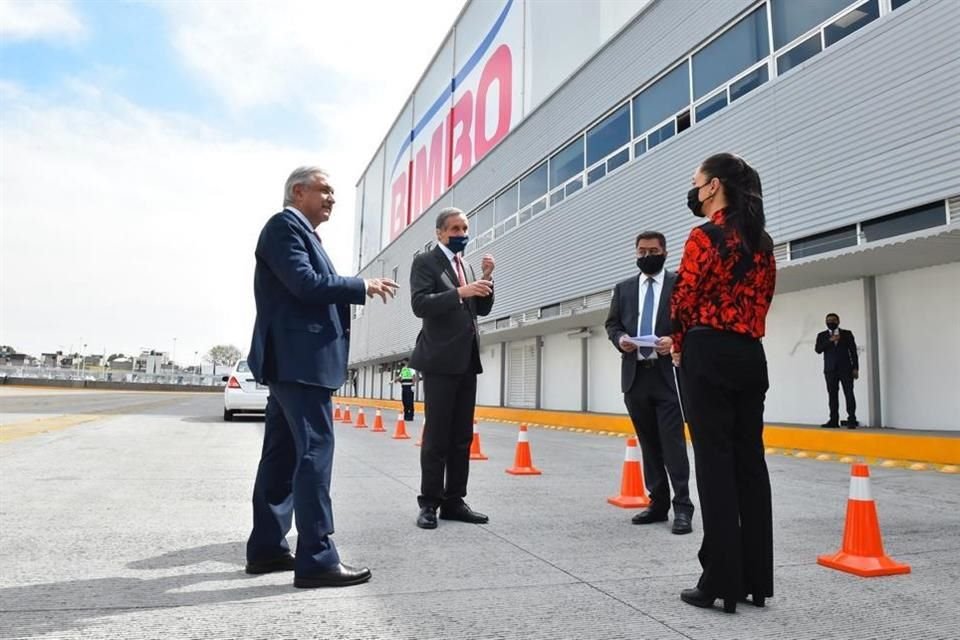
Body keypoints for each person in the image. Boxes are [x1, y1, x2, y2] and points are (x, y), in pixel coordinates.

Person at [245, 166, 398, 588]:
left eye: (333, 193)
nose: (332, 199)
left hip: (295, 363)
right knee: (314, 452)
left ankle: (267, 548)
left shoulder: (301, 232)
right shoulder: (284, 226)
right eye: (324, 190)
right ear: (297, 191)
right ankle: (316, 558)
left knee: (282, 456)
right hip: (300, 363)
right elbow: (306, 284)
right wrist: (359, 285)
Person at [670, 152, 777, 613]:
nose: (693, 190)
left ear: (713, 187)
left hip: (707, 352)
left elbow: (684, 297)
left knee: (713, 465)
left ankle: (719, 580)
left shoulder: (704, 236)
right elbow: (764, 297)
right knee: (750, 463)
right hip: (750, 355)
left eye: (697, 182)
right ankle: (755, 579)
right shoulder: (763, 240)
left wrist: (677, 342)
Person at [409, 207, 495, 530]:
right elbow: (420, 304)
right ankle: (429, 502)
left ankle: (454, 500)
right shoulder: (426, 262)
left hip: (466, 359)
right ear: (440, 233)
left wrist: (486, 278)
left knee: (462, 436)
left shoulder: (467, 265)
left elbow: (480, 308)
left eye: (465, 228)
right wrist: (460, 291)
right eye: (455, 229)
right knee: (437, 435)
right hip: (439, 360)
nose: (462, 234)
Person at [605, 231, 693, 535]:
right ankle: (658, 504)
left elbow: (690, 320)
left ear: (665, 252)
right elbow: (612, 324)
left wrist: (675, 339)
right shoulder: (624, 288)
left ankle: (683, 507)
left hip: (667, 375)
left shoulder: (679, 284)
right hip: (636, 375)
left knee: (673, 443)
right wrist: (620, 340)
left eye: (652, 250)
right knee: (649, 444)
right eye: (641, 251)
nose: (646, 256)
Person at [815, 313, 859, 428]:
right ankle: (833, 420)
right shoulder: (822, 335)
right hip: (830, 369)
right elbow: (818, 349)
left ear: (838, 321)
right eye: (828, 320)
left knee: (849, 393)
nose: (830, 322)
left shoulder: (847, 334)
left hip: (846, 369)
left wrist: (855, 368)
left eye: (833, 320)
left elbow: (853, 351)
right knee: (832, 395)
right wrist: (830, 340)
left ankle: (852, 420)